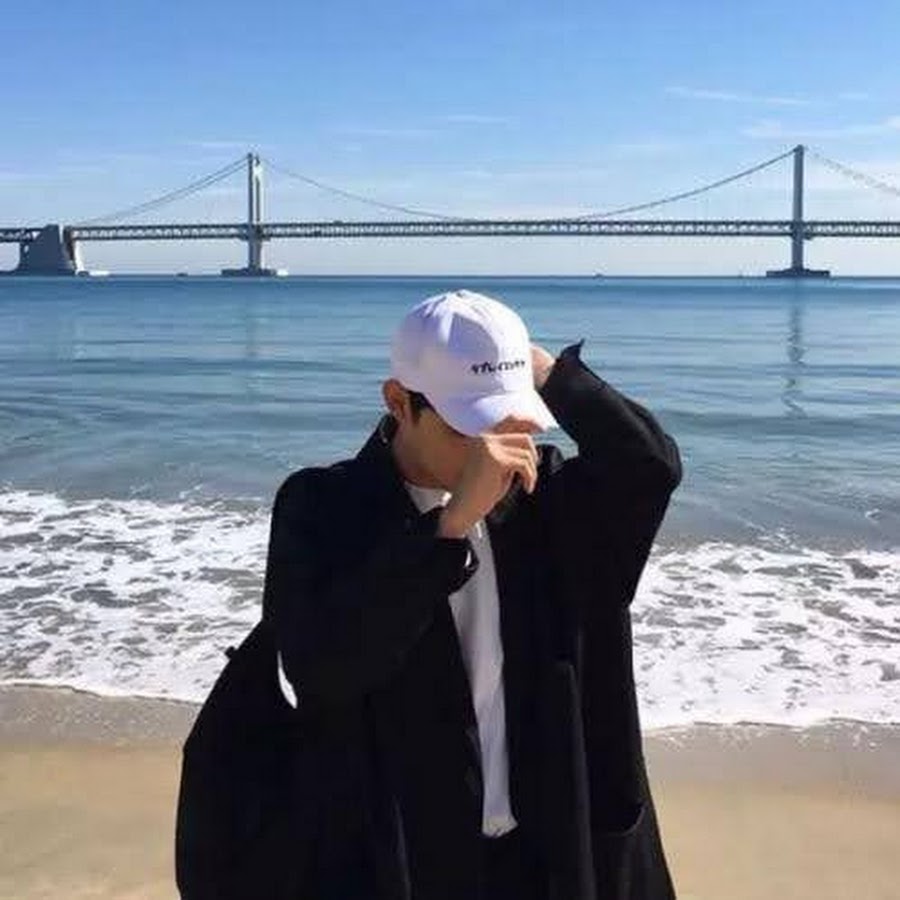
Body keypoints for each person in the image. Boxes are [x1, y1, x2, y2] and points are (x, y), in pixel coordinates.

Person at [264, 289, 682, 900]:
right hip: (405, 859)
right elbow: (321, 669)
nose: (497, 444)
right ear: (398, 402)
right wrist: (448, 529)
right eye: (471, 424)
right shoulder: (323, 508)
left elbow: (649, 468)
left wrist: (549, 375)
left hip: (551, 849)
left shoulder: (547, 496)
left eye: (510, 416)